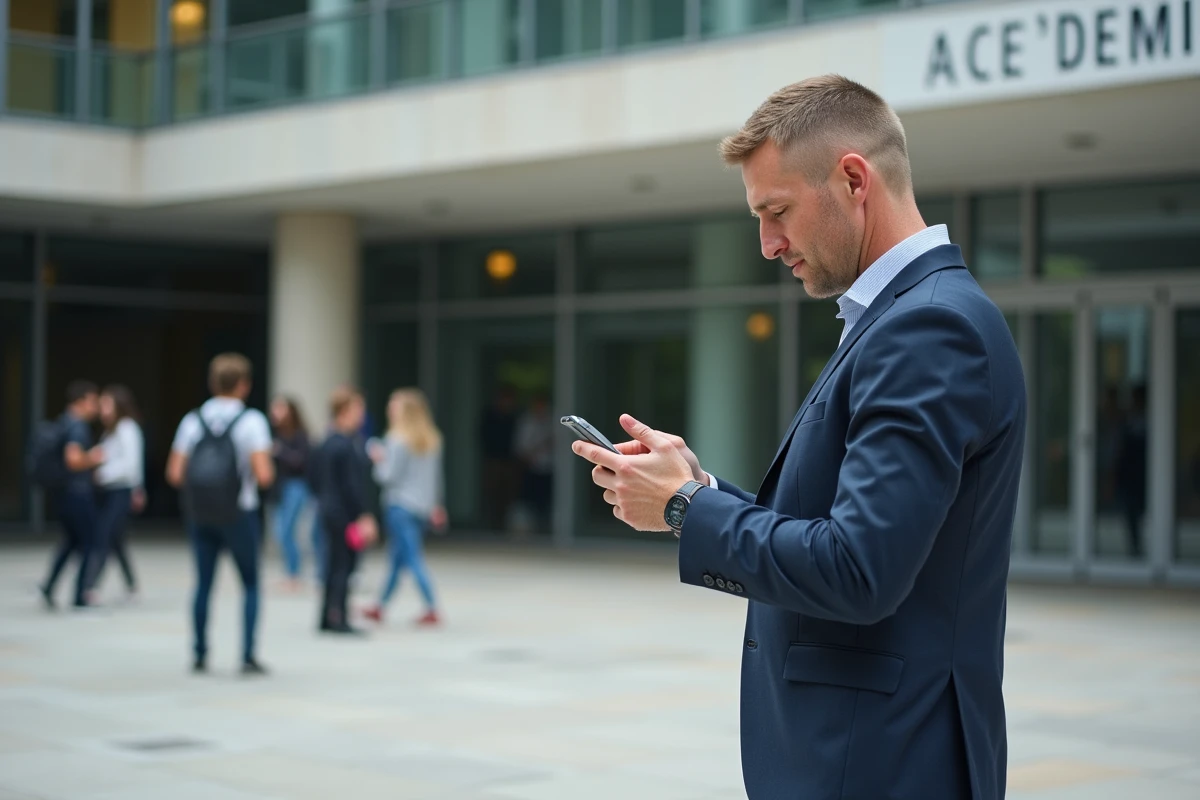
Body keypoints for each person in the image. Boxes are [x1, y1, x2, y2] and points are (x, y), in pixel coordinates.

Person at [571, 75, 1026, 800]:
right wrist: (703, 489)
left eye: (775, 211)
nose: (766, 243)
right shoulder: (904, 320)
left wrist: (687, 508)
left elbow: (858, 569)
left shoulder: (927, 329)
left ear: (852, 179)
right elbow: (847, 532)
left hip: (879, 764)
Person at [167, 353, 274, 676]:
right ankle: (247, 655)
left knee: (203, 584)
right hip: (239, 512)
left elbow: (175, 473)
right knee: (251, 583)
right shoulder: (252, 421)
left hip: (201, 514)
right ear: (244, 385)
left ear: (213, 383)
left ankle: (200, 653)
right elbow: (264, 474)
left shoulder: (192, 420)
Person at [363, 389, 446, 627]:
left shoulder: (397, 440)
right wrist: (437, 505)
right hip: (421, 508)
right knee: (397, 559)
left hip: (400, 506)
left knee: (411, 558)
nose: (390, 409)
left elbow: (388, 476)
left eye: (394, 405)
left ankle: (431, 606)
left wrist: (378, 459)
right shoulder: (432, 439)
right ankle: (379, 606)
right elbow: (436, 478)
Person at [313, 386, 378, 635]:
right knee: (343, 566)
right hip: (344, 512)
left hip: (328, 509)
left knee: (332, 564)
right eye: (357, 408)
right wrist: (363, 514)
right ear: (344, 410)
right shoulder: (347, 444)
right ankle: (338, 616)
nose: (361, 413)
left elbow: (314, 478)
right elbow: (353, 485)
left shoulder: (327, 441)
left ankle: (326, 615)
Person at [39, 380, 105, 610]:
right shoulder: (77, 426)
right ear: (82, 401)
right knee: (90, 543)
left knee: (70, 542)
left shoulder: (62, 422)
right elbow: (73, 459)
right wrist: (94, 458)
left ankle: (49, 586)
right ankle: (80, 596)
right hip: (77, 493)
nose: (96, 407)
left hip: (63, 493)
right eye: (93, 401)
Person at [86, 385, 144, 600]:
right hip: (109, 491)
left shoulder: (128, 428)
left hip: (120, 490)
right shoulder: (110, 431)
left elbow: (132, 464)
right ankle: (131, 584)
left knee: (104, 536)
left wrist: (102, 474)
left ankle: (90, 586)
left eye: (106, 404)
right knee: (116, 540)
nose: (102, 409)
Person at [268, 395, 312, 589]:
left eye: (280, 408)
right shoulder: (274, 433)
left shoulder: (299, 435)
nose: (275, 412)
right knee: (280, 532)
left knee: (287, 530)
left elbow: (302, 461)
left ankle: (294, 574)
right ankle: (290, 572)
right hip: (280, 487)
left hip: (296, 486)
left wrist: (280, 452)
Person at [479, 385, 520, 532]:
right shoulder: (490, 415)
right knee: (491, 492)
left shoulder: (513, 418)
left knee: (507, 494)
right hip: (493, 460)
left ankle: (503, 525)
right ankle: (489, 524)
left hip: (508, 461)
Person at [513, 392, 554, 535]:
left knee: (547, 501)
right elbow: (521, 447)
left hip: (549, 469)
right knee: (528, 501)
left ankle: (547, 530)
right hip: (531, 468)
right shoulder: (527, 422)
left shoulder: (552, 421)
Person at [1116, 384, 1148, 557]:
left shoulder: (1151, 424)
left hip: (1143, 477)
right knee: (1131, 514)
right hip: (1129, 478)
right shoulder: (1128, 424)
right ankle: (1135, 549)